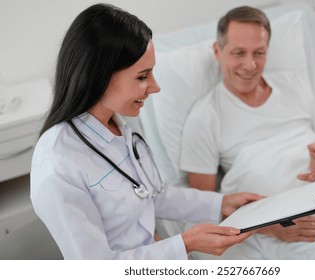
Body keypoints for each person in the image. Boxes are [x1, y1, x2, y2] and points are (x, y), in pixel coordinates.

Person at [30, 3, 263, 260]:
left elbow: (151, 195)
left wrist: (222, 204)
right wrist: (183, 244)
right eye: (143, 77)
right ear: (100, 76)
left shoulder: (119, 125)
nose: (155, 87)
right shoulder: (58, 165)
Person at [180, 6, 315, 244]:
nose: (250, 65)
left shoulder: (294, 85)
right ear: (218, 51)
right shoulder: (205, 117)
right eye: (239, 53)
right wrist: (272, 226)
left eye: (259, 53)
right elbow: (203, 203)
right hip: (277, 220)